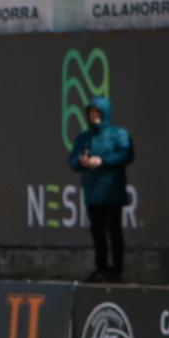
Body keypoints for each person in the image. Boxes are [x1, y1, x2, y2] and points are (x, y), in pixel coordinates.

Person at [68, 97, 134, 282]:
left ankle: (116, 270)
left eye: (97, 112)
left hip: (112, 193)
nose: (94, 116)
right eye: (91, 112)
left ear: (105, 114)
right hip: (92, 194)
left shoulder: (119, 134)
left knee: (114, 231)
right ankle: (102, 268)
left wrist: (102, 161)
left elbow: (127, 154)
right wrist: (81, 161)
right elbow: (72, 161)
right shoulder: (83, 138)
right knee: (97, 233)